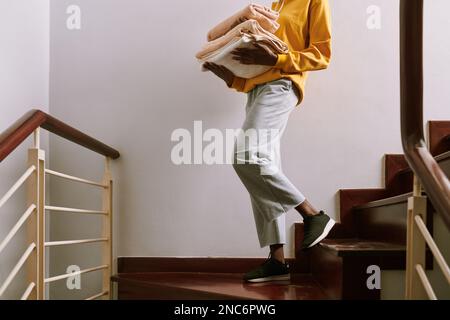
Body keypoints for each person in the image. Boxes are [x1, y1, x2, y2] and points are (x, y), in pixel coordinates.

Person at [203, 0, 334, 283]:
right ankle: (276, 261)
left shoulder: (314, 1)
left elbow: (322, 55)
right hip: (258, 91)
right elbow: (259, 65)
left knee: (246, 156)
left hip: (283, 85)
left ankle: (313, 214)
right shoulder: (275, 5)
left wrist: (278, 60)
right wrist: (230, 74)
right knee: (262, 166)